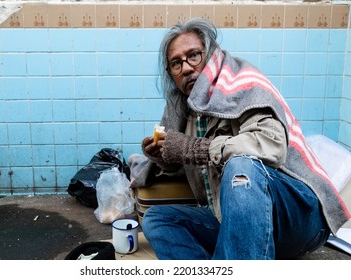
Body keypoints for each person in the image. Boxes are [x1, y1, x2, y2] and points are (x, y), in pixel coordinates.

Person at [129, 18, 350, 260]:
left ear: (211, 56)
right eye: (176, 63)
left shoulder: (242, 84)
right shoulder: (183, 111)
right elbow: (201, 165)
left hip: (299, 216)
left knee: (241, 166)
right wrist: (165, 159)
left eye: (194, 56)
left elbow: (272, 145)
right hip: (237, 222)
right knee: (157, 219)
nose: (186, 68)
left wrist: (193, 148)